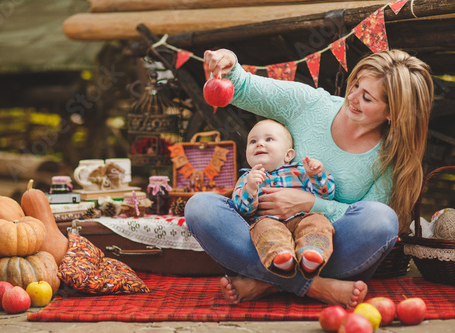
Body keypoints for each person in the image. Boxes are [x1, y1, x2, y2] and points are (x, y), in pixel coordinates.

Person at [184, 49, 433, 309]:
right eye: (356, 84)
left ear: (392, 113)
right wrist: (230, 62)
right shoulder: (312, 104)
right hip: (266, 235)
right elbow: (246, 87)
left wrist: (310, 204)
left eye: (367, 98)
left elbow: (365, 218)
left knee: (382, 219)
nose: (353, 97)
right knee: (200, 207)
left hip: (327, 249)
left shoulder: (390, 158)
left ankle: (267, 280)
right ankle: (317, 287)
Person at [233, 119, 335, 280]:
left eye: (269, 139)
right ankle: (281, 256)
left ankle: (312, 252)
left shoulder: (300, 171)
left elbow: (326, 195)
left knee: (318, 222)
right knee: (263, 229)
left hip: (302, 219)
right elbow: (241, 209)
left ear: (288, 155)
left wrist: (317, 175)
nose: (259, 144)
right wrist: (251, 188)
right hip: (269, 222)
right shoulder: (247, 178)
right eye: (253, 141)